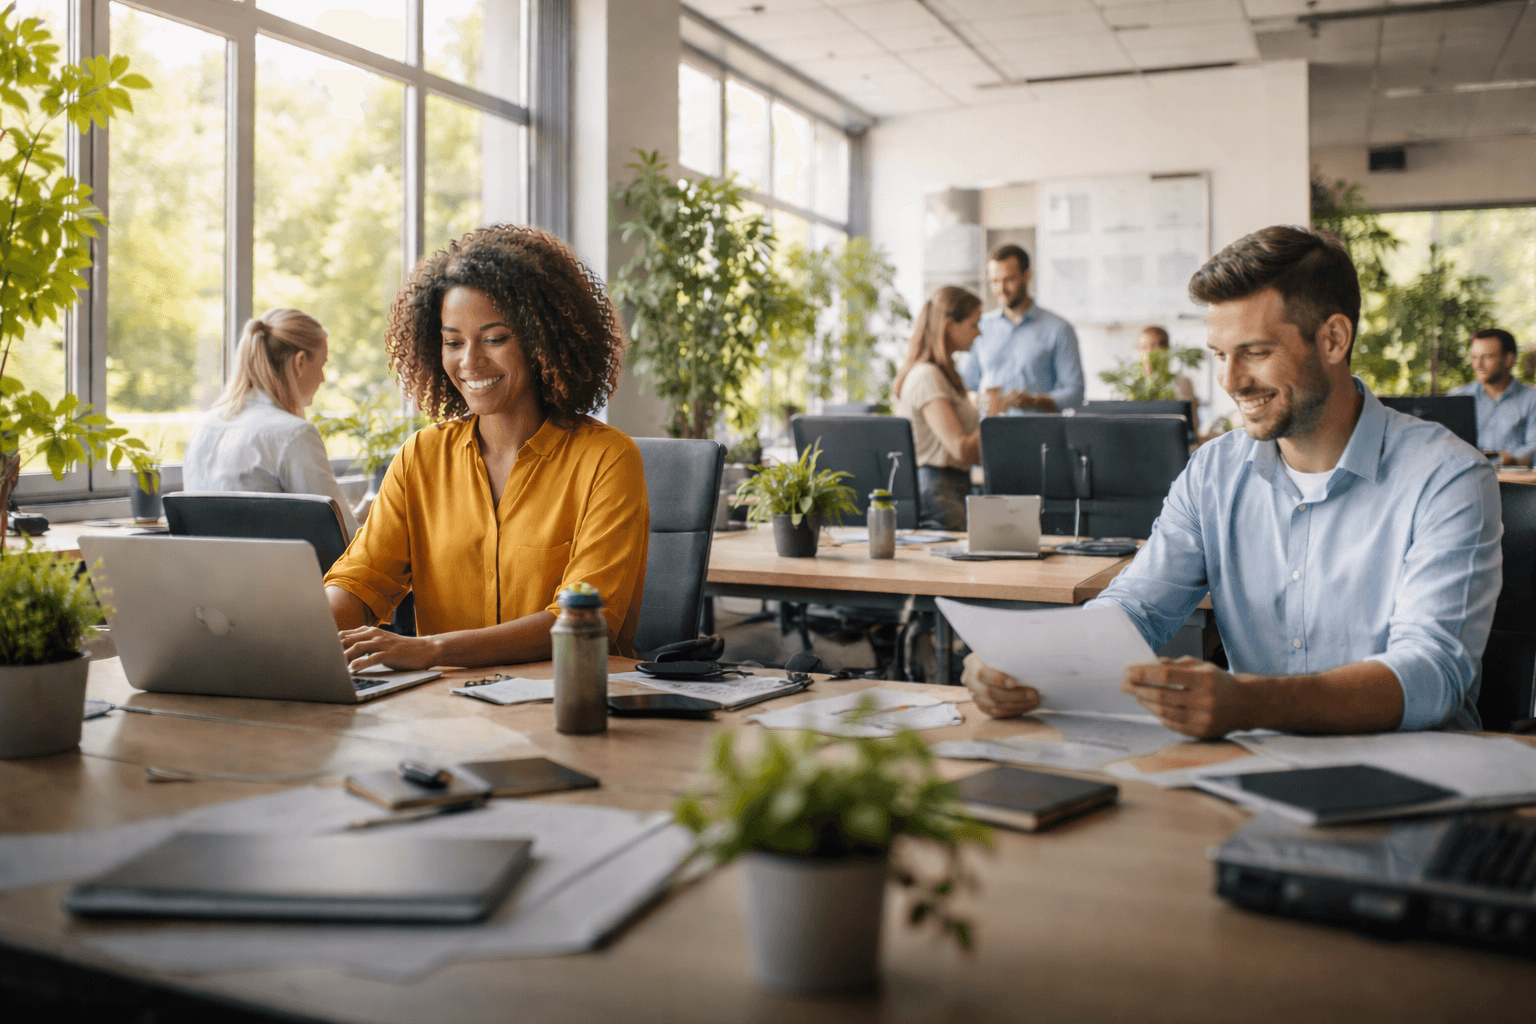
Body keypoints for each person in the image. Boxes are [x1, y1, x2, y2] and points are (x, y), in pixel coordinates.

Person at [961, 225, 1501, 736]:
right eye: (1220, 355)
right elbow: (1134, 610)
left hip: (1415, 779)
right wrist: (1025, 661)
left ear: (1333, 339)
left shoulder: (1447, 476)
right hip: (1255, 763)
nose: (1231, 381)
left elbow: (1432, 674)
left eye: (1257, 353)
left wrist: (1250, 702)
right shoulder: (1213, 472)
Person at [322, 225, 649, 670]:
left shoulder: (607, 460)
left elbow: (585, 620)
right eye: (453, 342)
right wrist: (308, 627)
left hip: (568, 702)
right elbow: (361, 581)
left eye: (495, 339)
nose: (470, 361)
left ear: (541, 341)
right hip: (447, 708)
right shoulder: (421, 458)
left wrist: (431, 650)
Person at [183, 308, 359, 537]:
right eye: (322, 364)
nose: (323, 378)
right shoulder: (294, 434)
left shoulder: (204, 426)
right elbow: (345, 538)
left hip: (209, 572)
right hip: (280, 572)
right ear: (300, 362)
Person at [892, 286, 983, 531]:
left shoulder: (947, 376)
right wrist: (992, 417)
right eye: (974, 324)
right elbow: (961, 449)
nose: (979, 332)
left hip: (953, 486)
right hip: (937, 491)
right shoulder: (927, 377)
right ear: (950, 325)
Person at [959, 243, 1084, 416]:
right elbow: (965, 386)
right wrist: (978, 400)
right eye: (995, 281)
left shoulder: (1059, 329)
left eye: (1009, 280)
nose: (1001, 289)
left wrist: (1035, 401)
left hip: (1038, 434)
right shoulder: (981, 327)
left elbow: (1075, 392)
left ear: (1027, 276)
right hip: (988, 433)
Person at [1448, 328, 1536, 467]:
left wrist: (1512, 459)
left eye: (1487, 357)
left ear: (1509, 360)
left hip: (1516, 484)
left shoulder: (1532, 399)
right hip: (1468, 479)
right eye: (1474, 357)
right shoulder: (1456, 397)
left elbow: (1534, 447)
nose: (1477, 365)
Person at [1137, 325, 1197, 406]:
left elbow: (1191, 416)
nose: (1148, 352)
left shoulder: (1182, 383)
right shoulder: (1130, 386)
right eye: (1143, 348)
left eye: (1154, 346)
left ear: (1166, 349)